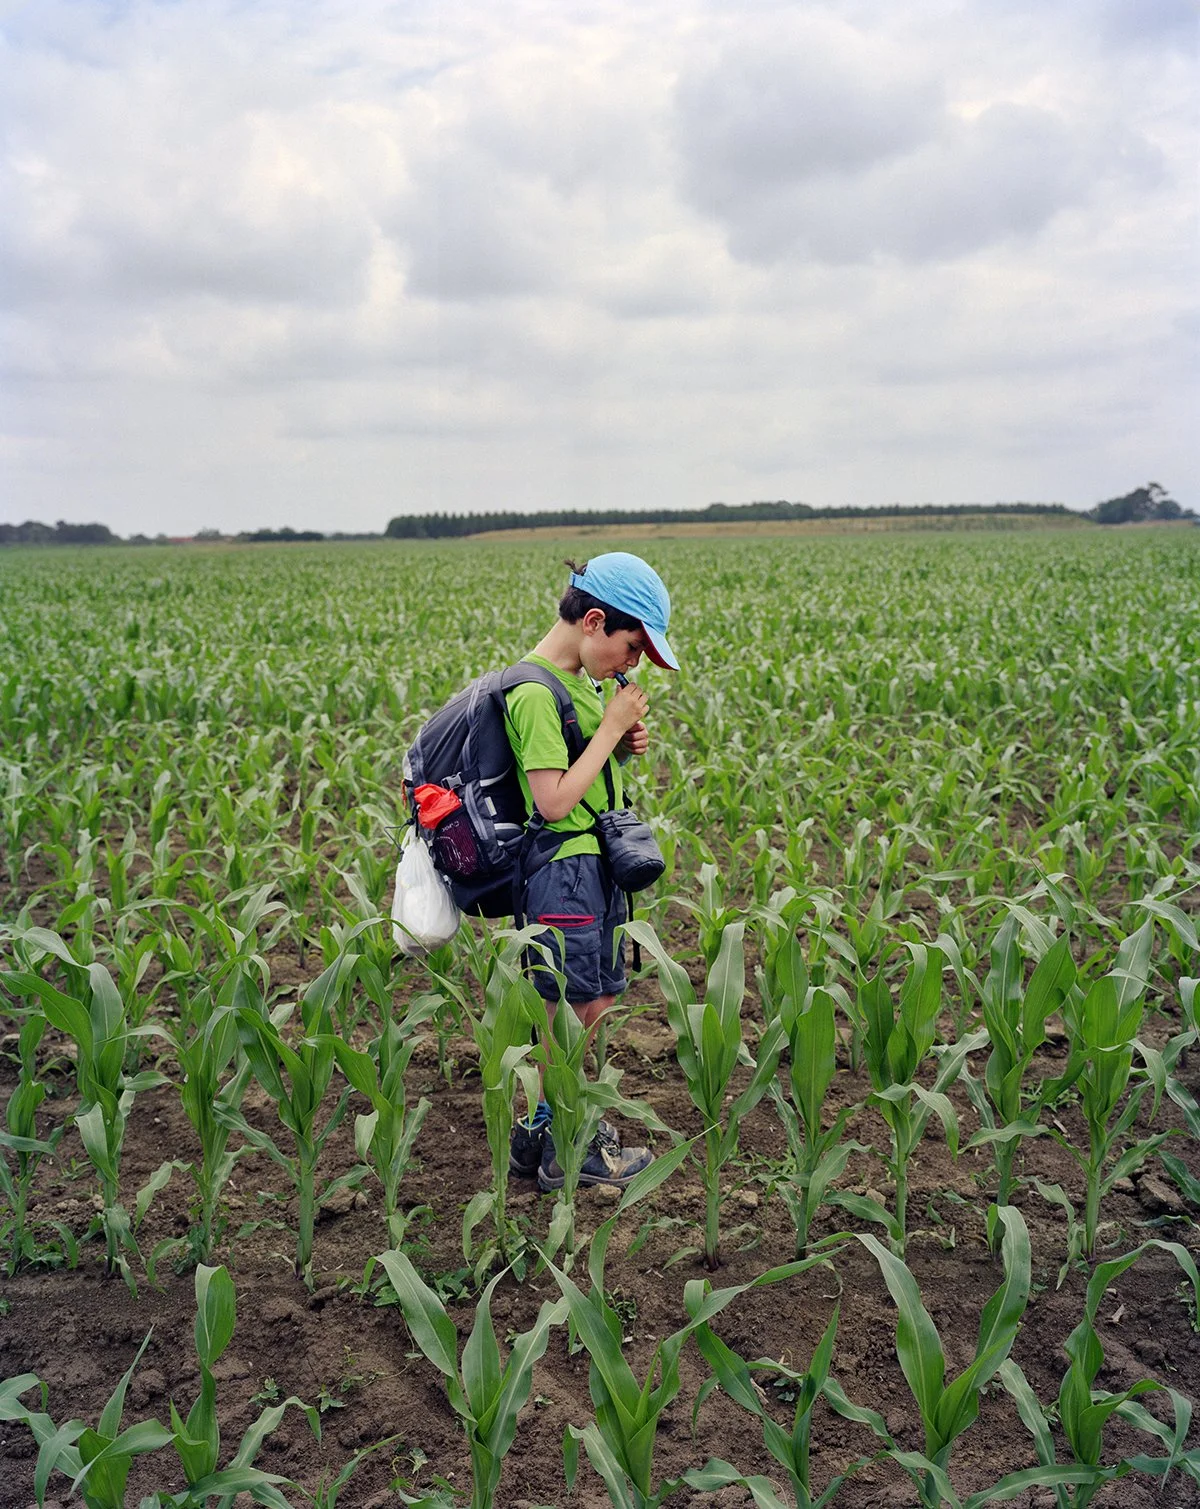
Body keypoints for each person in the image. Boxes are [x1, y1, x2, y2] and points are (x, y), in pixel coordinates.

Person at [505, 552, 679, 1190]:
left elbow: (582, 774)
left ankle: (546, 1134)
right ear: (596, 621)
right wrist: (610, 730)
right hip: (562, 871)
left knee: (596, 998)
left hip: (593, 864)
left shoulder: (582, 684)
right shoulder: (532, 690)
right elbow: (550, 802)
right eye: (634, 649)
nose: (633, 665)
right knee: (567, 1007)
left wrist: (616, 747)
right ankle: (567, 1148)